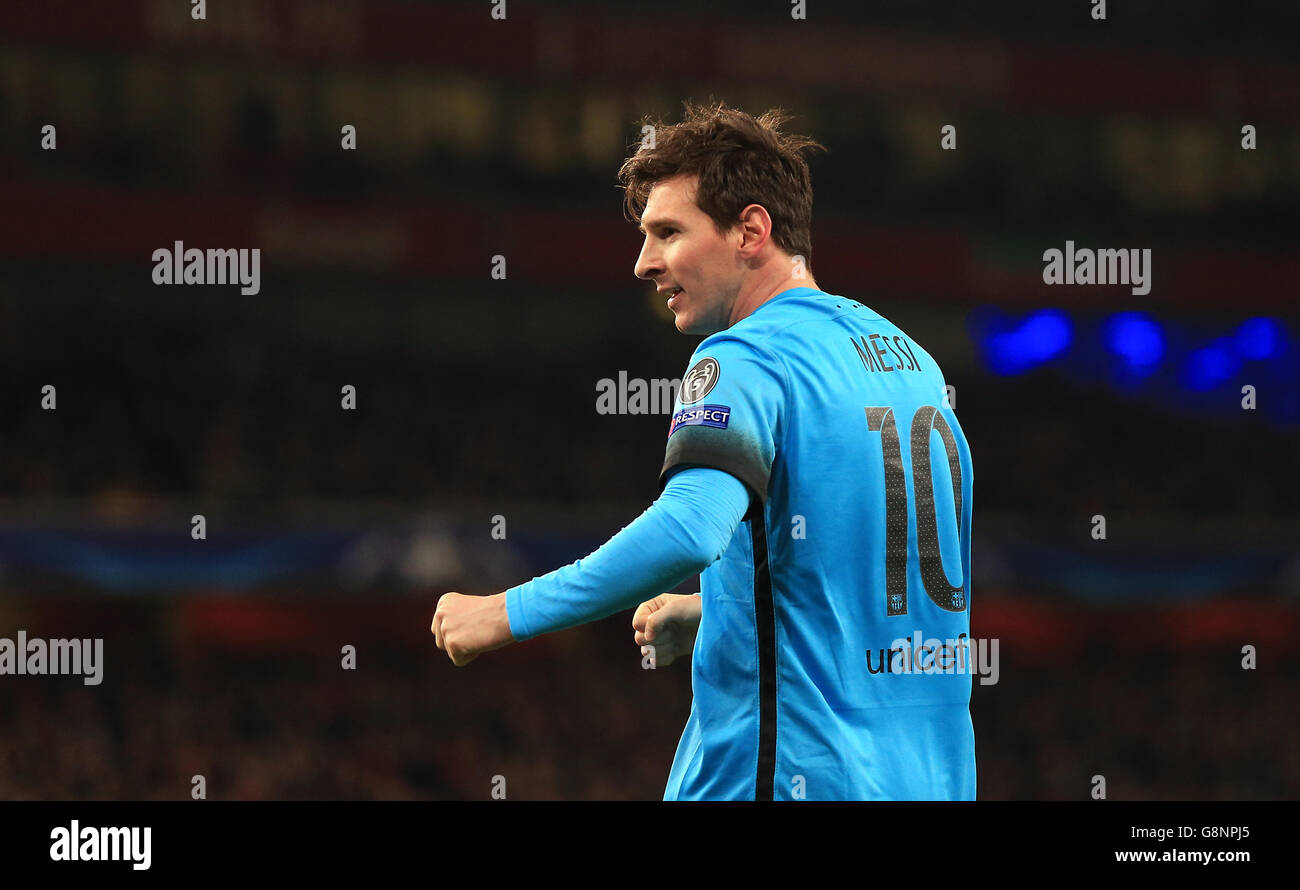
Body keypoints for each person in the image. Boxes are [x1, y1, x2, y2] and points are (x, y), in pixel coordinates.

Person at [433, 101, 975, 801]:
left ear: (751, 230)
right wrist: (723, 610)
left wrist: (505, 611)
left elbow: (690, 529)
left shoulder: (746, 353)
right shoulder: (911, 362)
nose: (643, 263)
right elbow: (872, 563)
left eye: (667, 232)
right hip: (930, 779)